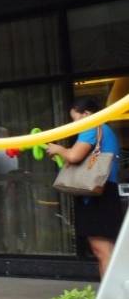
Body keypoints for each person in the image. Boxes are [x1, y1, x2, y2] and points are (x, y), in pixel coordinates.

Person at [47, 97, 122, 277]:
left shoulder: (91, 126)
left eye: (75, 119)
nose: (75, 125)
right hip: (106, 191)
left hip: (96, 195)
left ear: (86, 114)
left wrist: (59, 149)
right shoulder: (106, 130)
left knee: (101, 250)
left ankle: (110, 293)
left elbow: (74, 156)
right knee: (106, 249)